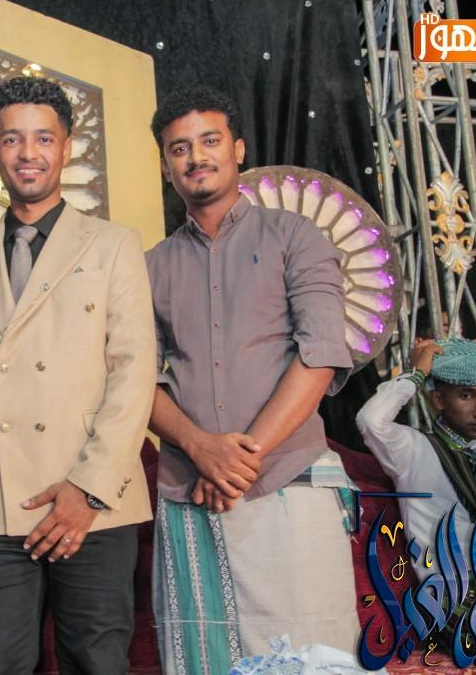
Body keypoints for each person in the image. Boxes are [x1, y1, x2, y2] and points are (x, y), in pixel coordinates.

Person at [0, 76, 157, 675]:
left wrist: (88, 489)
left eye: (43, 138)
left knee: (97, 661)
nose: (28, 153)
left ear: (66, 147)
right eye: (12, 139)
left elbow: (135, 374)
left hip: (96, 500)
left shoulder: (113, 245)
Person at [145, 86, 359, 672]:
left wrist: (240, 460)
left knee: (313, 655)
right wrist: (200, 448)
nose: (196, 157)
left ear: (237, 149)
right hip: (191, 491)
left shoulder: (296, 236)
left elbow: (320, 354)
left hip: (290, 479)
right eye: (179, 148)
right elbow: (137, 380)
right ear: (165, 166)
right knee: (205, 659)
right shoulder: (151, 267)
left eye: (209, 141)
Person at [356, 336, 476, 668]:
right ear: (437, 399)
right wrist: (416, 373)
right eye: (466, 395)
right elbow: (370, 420)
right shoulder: (414, 451)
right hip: (459, 600)